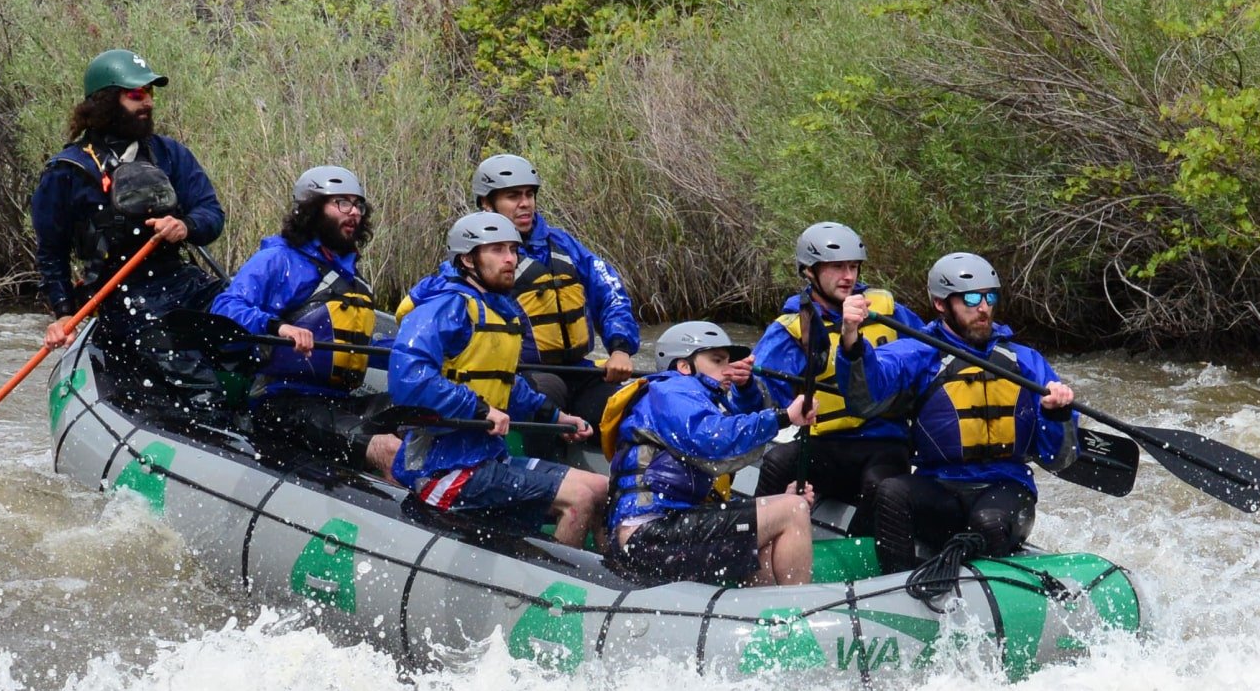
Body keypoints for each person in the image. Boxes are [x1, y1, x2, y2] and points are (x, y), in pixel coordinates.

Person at [389, 212, 607, 547]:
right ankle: (561, 591)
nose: (510, 259)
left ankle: (611, 578)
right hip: (443, 470)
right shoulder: (445, 306)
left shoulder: (497, 309)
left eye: (513, 250)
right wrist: (479, 410)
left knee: (599, 487)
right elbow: (409, 378)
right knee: (577, 498)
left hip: (487, 458)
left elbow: (505, 384)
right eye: (497, 250)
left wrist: (556, 416)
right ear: (467, 259)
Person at [853, 253, 1080, 573]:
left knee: (987, 522)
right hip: (941, 490)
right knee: (891, 492)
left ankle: (998, 596)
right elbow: (865, 395)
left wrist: (1058, 416)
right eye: (971, 299)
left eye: (990, 297)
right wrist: (852, 341)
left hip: (1006, 492)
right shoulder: (920, 353)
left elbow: (1060, 459)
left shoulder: (1025, 361)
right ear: (941, 304)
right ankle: (897, 588)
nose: (983, 307)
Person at [30, 49, 226, 411]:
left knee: (248, 319)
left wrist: (185, 225)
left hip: (183, 283)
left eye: (150, 93)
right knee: (201, 386)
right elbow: (51, 253)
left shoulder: (170, 154)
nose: (147, 102)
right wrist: (62, 314)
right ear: (105, 102)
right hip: (123, 300)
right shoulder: (65, 172)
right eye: (136, 95)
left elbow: (212, 214)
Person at [208, 165, 399, 477]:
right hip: (283, 404)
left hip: (339, 402)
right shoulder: (278, 259)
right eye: (342, 203)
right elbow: (225, 307)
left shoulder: (354, 278)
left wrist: (422, 353)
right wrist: (278, 327)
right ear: (311, 209)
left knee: (422, 418)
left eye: (358, 204)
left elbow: (357, 345)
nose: (354, 213)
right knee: (389, 450)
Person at [599, 322, 818, 587]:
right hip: (648, 535)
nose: (728, 369)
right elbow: (714, 439)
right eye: (717, 360)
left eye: (728, 361)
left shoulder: (700, 400)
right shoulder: (671, 391)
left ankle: (770, 618)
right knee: (792, 509)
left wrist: (747, 388)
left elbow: (739, 423)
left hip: (667, 529)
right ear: (683, 366)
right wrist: (784, 418)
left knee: (774, 537)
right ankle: (800, 615)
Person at [745, 221, 929, 535]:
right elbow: (759, 401)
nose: (848, 276)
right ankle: (752, 547)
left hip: (885, 443)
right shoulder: (790, 330)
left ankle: (864, 564)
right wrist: (743, 386)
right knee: (777, 461)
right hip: (826, 445)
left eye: (853, 267)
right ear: (809, 271)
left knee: (880, 486)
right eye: (836, 267)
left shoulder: (885, 310)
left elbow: (929, 354)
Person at [469, 154, 641, 429]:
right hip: (520, 375)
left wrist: (620, 348)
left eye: (529, 194)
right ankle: (538, 465)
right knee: (545, 395)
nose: (525, 204)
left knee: (630, 406)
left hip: (576, 369)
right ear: (487, 204)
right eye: (513, 196)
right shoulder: (474, 256)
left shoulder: (563, 244)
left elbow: (610, 292)